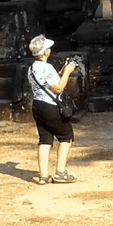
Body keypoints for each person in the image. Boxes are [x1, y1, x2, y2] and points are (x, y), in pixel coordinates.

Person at [25, 34, 78, 185]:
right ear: (45, 52)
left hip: (37, 105)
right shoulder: (47, 67)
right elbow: (58, 88)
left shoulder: (32, 68)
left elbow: (49, 82)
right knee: (66, 136)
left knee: (45, 139)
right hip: (50, 106)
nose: (50, 50)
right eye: (48, 48)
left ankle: (43, 176)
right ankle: (60, 172)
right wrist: (67, 72)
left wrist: (62, 72)